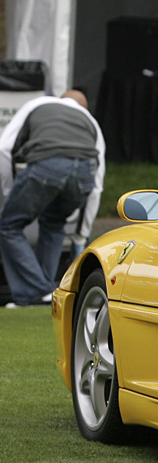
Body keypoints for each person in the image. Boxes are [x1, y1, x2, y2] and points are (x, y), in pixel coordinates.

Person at [0, 89, 105, 307]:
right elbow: (97, 184)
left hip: (47, 165)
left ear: (61, 99)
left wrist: (8, 192)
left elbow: (4, 149)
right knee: (54, 222)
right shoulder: (90, 121)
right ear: (83, 108)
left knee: (8, 226)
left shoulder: (37, 103)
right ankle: (46, 293)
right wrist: (81, 235)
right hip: (84, 174)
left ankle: (35, 292)